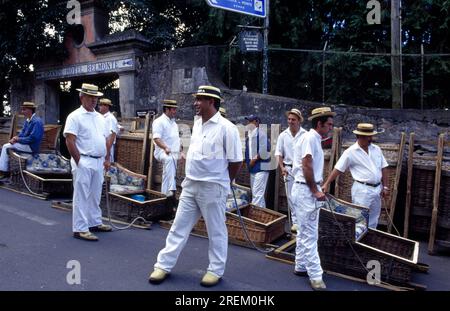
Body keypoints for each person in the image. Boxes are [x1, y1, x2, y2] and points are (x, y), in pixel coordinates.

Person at [149, 85, 242, 287]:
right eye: (196, 99)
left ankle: (215, 270)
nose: (195, 103)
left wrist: (224, 183)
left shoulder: (228, 128)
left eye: (200, 99)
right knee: (178, 227)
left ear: (211, 102)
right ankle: (163, 265)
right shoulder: (197, 123)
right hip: (191, 184)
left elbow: (236, 162)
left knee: (216, 231)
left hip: (213, 187)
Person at [291, 107, 335, 291]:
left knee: (303, 230)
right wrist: (315, 190)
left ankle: (301, 265)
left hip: (303, 188)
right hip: (305, 190)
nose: (331, 128)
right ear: (320, 124)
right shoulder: (310, 138)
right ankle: (316, 276)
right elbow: (306, 165)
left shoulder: (312, 138)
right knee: (310, 233)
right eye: (329, 124)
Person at [63, 83, 114, 242]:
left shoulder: (100, 118)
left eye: (96, 97)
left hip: (98, 161)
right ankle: (80, 228)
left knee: (95, 194)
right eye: (90, 97)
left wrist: (106, 159)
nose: (94, 100)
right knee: (81, 195)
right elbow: (70, 141)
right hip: (84, 159)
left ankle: (94, 222)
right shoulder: (74, 116)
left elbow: (106, 139)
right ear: (82, 97)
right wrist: (79, 161)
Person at [322, 123, 389, 229]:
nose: (370, 138)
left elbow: (384, 167)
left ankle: (369, 240)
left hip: (377, 188)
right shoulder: (350, 152)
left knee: (374, 219)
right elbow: (338, 169)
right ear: (360, 136)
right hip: (362, 190)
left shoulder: (376, 149)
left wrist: (385, 187)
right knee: (360, 219)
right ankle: (358, 242)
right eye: (368, 136)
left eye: (371, 136)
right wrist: (326, 183)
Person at [275, 108, 306, 232]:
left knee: (300, 196)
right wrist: (282, 167)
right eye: (289, 119)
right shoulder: (283, 135)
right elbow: (278, 153)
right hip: (287, 169)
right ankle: (295, 223)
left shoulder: (305, 135)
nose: (290, 121)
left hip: (300, 170)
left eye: (293, 119)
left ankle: (301, 222)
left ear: (299, 121)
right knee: (290, 197)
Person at [0, 102, 44, 179]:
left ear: (30, 110)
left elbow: (33, 138)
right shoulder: (28, 121)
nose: (22, 111)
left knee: (6, 147)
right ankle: (5, 170)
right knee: (7, 146)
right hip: (26, 144)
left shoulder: (37, 121)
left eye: (24, 109)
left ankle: (3, 172)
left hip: (31, 147)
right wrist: (15, 138)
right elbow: (22, 133)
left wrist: (18, 139)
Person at [152, 99, 181, 197]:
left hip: (173, 152)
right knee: (169, 161)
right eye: (173, 109)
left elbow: (174, 138)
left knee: (167, 174)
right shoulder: (159, 121)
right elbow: (156, 138)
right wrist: (165, 147)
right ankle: (171, 191)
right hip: (161, 152)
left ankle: (164, 195)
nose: (175, 111)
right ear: (167, 110)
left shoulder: (174, 123)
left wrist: (179, 147)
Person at [244, 114, 271, 208]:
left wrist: (253, 160)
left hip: (261, 167)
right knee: (257, 194)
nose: (248, 123)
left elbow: (265, 150)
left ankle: (254, 217)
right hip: (253, 168)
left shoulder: (261, 134)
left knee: (257, 194)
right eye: (248, 121)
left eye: (250, 121)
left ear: (256, 122)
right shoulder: (250, 136)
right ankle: (261, 216)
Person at [98, 98, 119, 162]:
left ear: (107, 106)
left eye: (101, 105)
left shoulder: (110, 118)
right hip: (102, 145)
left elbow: (112, 134)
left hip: (107, 146)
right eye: (99, 105)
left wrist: (107, 152)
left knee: (107, 166)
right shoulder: (102, 117)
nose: (99, 107)